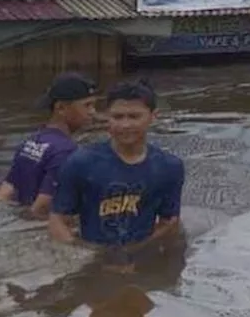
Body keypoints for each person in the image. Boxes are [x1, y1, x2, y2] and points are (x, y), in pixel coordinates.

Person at [50, 79, 185, 254]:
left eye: (134, 117)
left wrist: (136, 252)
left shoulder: (169, 167)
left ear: (153, 117)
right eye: (118, 117)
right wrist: (88, 255)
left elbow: (170, 221)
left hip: (139, 255)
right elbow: (57, 220)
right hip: (92, 254)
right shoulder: (81, 163)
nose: (125, 125)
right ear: (107, 117)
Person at [0, 72, 98, 219]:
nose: (93, 112)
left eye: (94, 105)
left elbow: (4, 193)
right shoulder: (67, 151)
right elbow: (42, 208)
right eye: (87, 105)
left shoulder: (32, 141)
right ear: (61, 108)